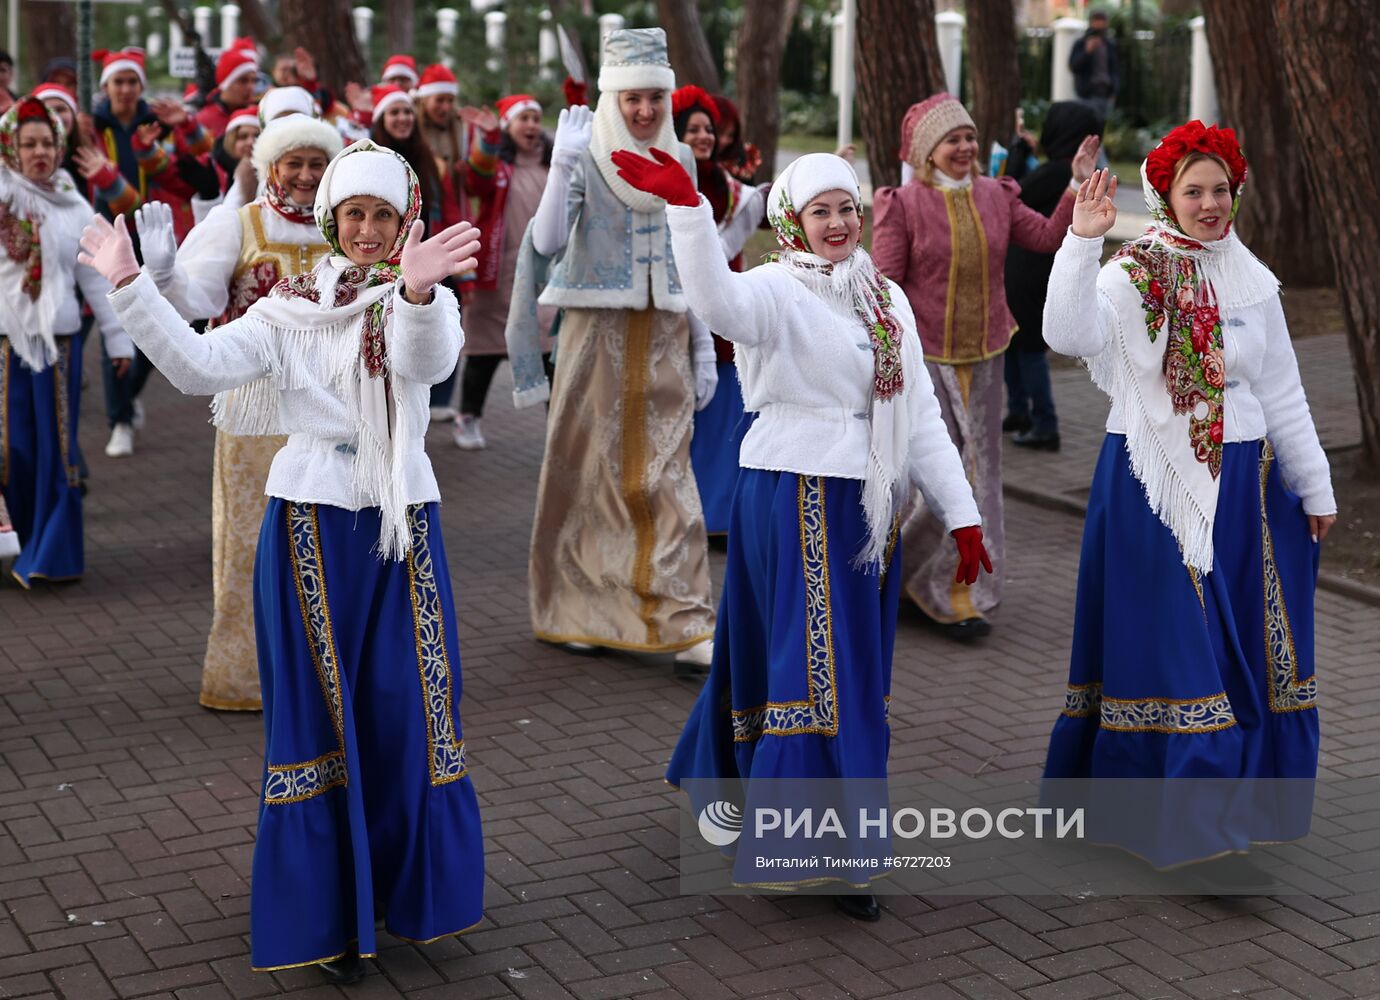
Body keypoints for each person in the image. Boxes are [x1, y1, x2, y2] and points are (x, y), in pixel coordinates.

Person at [80, 139, 486, 980]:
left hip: (402, 525)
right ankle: (329, 908)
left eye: (381, 214)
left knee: (408, 707)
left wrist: (412, 292)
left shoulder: (425, 298)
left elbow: (427, 364)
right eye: (353, 215)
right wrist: (130, 285)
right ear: (329, 221)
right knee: (320, 720)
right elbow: (198, 369)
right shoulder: (285, 307)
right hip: (309, 525)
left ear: (404, 218)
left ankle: (404, 887)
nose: (368, 229)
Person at [614, 149, 986, 916]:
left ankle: (729, 781)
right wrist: (690, 212)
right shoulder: (777, 289)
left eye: (847, 208)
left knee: (809, 658)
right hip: (797, 493)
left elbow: (917, 415)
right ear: (792, 221)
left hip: (867, 502)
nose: (838, 223)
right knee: (823, 673)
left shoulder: (886, 299)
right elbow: (717, 304)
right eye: (820, 211)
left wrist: (964, 513)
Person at [1040, 124, 1335, 872]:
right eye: (1193, 191)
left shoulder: (1251, 276)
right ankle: (1196, 830)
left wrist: (1314, 483)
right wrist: (1081, 242)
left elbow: (1283, 389)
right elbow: (1068, 335)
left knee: (1242, 646)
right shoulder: (1135, 272)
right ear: (1166, 196)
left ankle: (1230, 811)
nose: (1210, 204)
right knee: (1179, 649)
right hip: (1156, 485)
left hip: (1249, 489)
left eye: (1220, 190)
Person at [515, 28, 716, 667]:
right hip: (593, 335)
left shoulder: (680, 161)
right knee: (588, 479)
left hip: (665, 334)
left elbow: (694, 260)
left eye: (655, 97)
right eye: (632, 98)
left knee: (671, 475)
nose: (645, 111)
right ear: (612, 100)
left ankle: (682, 618)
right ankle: (577, 609)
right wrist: (562, 167)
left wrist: (706, 347)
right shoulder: (587, 155)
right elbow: (545, 242)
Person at [136, 112, 342, 712]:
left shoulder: (342, 228)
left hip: (329, 412)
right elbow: (198, 300)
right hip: (254, 414)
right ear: (269, 167)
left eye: (315, 163)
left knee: (327, 546)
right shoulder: (239, 222)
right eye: (294, 163)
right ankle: (249, 680)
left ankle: (322, 683)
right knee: (252, 547)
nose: (305, 175)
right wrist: (166, 273)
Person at [871, 93, 1096, 640]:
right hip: (925, 361)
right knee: (928, 478)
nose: (966, 148)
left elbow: (1043, 237)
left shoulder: (997, 194)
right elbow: (884, 283)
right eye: (953, 140)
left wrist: (1075, 186)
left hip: (989, 355)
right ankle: (897, 576)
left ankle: (954, 589)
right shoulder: (902, 204)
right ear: (927, 151)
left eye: (969, 137)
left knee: (980, 474)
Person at [0, 98, 132, 587]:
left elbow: (98, 279)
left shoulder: (73, 203)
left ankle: (51, 555)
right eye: (27, 143)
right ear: (9, 147)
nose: (39, 152)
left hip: (58, 345)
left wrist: (119, 342)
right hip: (5, 343)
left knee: (58, 450)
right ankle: (16, 540)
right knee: (12, 450)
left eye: (47, 143)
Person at [671, 84, 766, 534]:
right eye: (693, 129)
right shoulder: (663, 182)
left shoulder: (728, 187)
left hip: (721, 311)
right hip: (671, 314)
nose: (705, 137)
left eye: (709, 129)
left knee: (726, 415)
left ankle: (720, 514)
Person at [1002, 101, 1105, 451]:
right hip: (1032, 271)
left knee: (1027, 348)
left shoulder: (1056, 174)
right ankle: (1019, 411)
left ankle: (1045, 423)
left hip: (1029, 274)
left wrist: (1018, 153)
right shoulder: (1066, 173)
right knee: (1016, 345)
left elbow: (1011, 189)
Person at [455, 93, 556, 450]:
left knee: (548, 349)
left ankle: (559, 427)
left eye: (535, 118)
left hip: (544, 276)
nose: (530, 126)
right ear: (508, 125)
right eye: (522, 119)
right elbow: (475, 180)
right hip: (497, 274)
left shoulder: (554, 167)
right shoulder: (497, 167)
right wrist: (488, 141)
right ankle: (468, 417)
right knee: (486, 351)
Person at [369, 83, 467, 421]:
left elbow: (443, 205)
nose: (403, 118)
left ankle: (437, 396)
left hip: (428, 253)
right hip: (383, 259)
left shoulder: (427, 157)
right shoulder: (368, 157)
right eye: (394, 112)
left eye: (407, 111)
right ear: (382, 118)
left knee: (439, 317)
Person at [197, 39, 260, 137]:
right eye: (243, 81)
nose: (250, 87)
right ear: (226, 84)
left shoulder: (260, 115)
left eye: (254, 81)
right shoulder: (203, 119)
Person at [1069, 10, 1119, 127]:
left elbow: (1115, 68)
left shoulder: (1109, 44)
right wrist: (1087, 52)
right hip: (1087, 94)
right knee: (1086, 127)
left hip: (1106, 94)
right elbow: (1074, 66)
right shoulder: (1081, 44)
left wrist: (1115, 88)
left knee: (1101, 127)